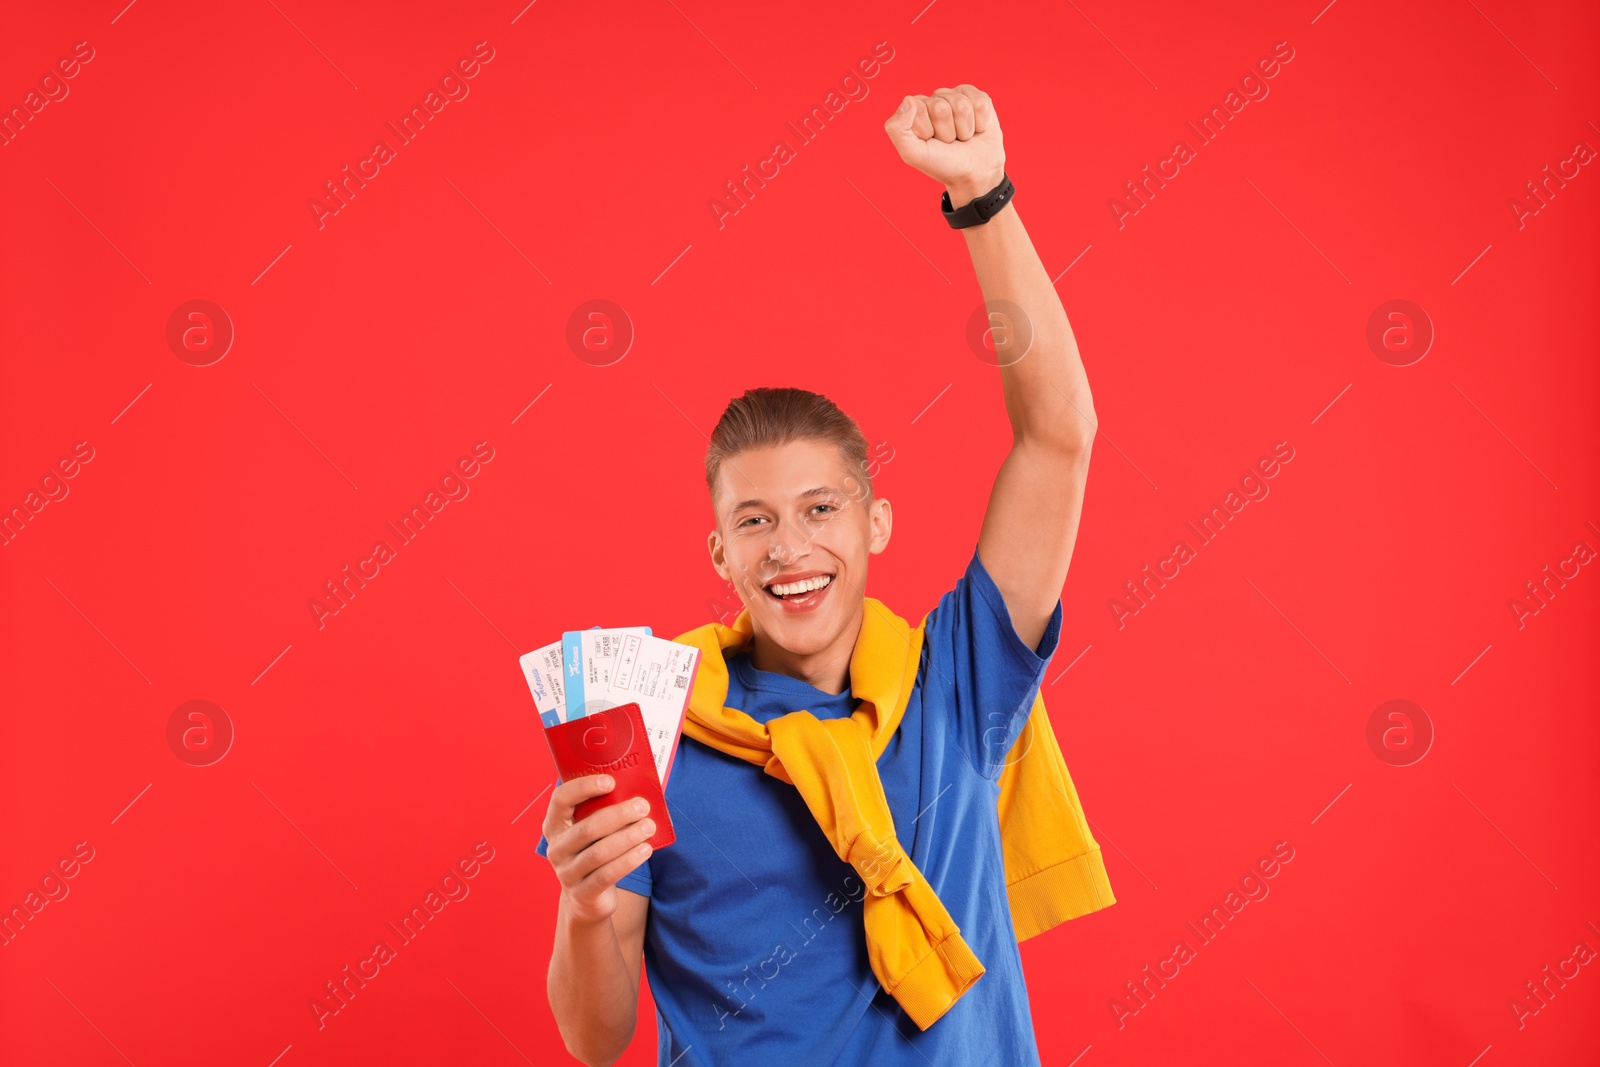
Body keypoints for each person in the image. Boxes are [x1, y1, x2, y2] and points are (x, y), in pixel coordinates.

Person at [537, 84, 1108, 1065]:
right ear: (719, 552)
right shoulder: (647, 722)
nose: (789, 548)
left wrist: (983, 198)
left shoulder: (956, 684)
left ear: (875, 522)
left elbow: (1058, 437)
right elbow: (598, 1038)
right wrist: (584, 906)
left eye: (819, 509)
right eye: (753, 521)